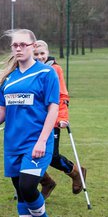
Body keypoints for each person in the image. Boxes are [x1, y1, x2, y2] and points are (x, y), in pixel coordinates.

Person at [0, 29, 60, 217]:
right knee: (21, 192)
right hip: (12, 144)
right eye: (15, 45)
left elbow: (53, 109)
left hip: (36, 142)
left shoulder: (46, 74)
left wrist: (42, 141)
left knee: (27, 187)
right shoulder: (8, 79)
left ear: (33, 47)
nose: (18, 48)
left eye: (23, 45)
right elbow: (2, 110)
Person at [32, 40, 87, 196]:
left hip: (52, 118)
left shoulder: (55, 69)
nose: (39, 57)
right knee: (28, 152)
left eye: (42, 54)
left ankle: (76, 173)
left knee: (52, 156)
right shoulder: (28, 68)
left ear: (48, 53)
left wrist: (62, 117)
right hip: (34, 119)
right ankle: (46, 182)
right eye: (36, 54)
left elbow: (62, 95)